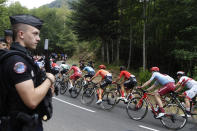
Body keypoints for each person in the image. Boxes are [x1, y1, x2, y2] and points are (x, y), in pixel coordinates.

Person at [1, 14, 55, 131]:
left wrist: (45, 89)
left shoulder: (24, 57)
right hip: (19, 125)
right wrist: (49, 79)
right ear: (21, 34)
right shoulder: (18, 62)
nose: (39, 38)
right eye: (35, 33)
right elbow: (32, 101)